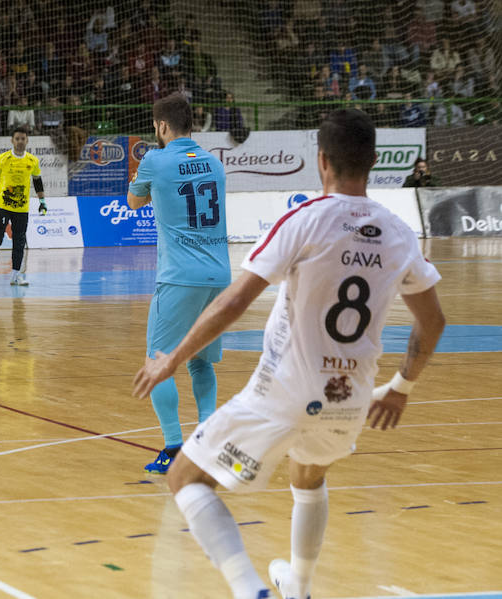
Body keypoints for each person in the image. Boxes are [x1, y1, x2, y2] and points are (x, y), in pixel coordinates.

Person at [133, 109, 446, 599]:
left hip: (284, 392)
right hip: (351, 398)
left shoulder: (305, 219)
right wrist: (402, 388)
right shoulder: (400, 233)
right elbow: (434, 321)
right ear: (376, 160)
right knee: (309, 473)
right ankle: (296, 587)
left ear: (321, 160)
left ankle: (249, 589)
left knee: (185, 478)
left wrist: (169, 359)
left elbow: (235, 302)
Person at [127, 93, 231, 474]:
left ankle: (173, 447)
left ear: (162, 126)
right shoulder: (214, 163)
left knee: (159, 361)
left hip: (179, 276)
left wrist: (141, 178)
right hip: (220, 275)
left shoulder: (154, 159)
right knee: (201, 362)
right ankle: (208, 440)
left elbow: (134, 203)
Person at [0, 125, 46, 287]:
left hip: (21, 209)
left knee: (19, 242)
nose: (20, 141)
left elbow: (37, 181)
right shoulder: (2, 158)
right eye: (17, 139)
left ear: (27, 140)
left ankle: (16, 276)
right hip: (3, 206)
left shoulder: (32, 161)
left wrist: (42, 201)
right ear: (12, 140)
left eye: (23, 139)